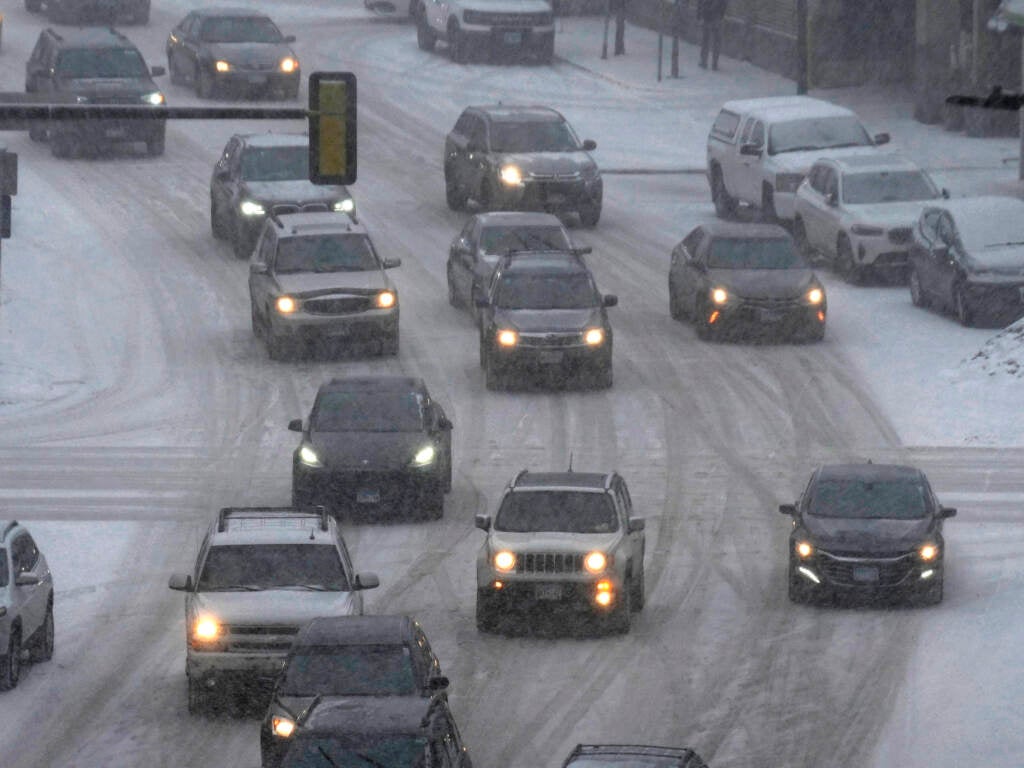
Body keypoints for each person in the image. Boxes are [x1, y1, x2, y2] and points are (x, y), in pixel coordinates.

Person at [698, 0, 727, 70]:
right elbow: (724, 3)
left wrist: (699, 15)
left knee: (706, 40)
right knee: (716, 41)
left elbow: (700, 3)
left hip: (707, 16)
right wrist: (721, 14)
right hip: (717, 16)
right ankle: (714, 63)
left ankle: (704, 61)